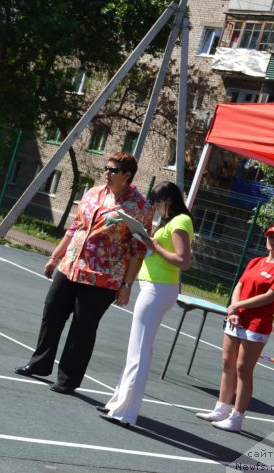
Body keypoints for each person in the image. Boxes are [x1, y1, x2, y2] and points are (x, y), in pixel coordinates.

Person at [14, 151, 153, 394]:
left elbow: (137, 250)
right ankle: (39, 364)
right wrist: (55, 256)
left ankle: (68, 380)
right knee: (52, 312)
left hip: (102, 277)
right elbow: (75, 227)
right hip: (71, 266)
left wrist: (127, 285)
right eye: (106, 168)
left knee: (82, 327)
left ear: (127, 175)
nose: (107, 173)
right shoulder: (93, 193)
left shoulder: (140, 207)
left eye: (113, 170)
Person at [98, 181, 193, 427]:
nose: (155, 207)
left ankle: (126, 412)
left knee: (140, 350)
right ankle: (118, 403)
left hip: (158, 289)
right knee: (136, 350)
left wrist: (154, 246)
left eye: (157, 202)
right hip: (154, 287)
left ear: (168, 200)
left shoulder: (180, 221)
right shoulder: (171, 222)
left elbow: (184, 261)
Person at [194, 223, 274, 433]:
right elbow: (240, 285)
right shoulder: (255, 262)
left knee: (243, 369)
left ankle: (237, 417)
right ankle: (221, 409)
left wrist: (238, 306)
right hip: (236, 319)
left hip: (256, 324)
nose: (272, 241)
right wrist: (233, 309)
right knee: (228, 363)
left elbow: (270, 297)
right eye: (270, 236)